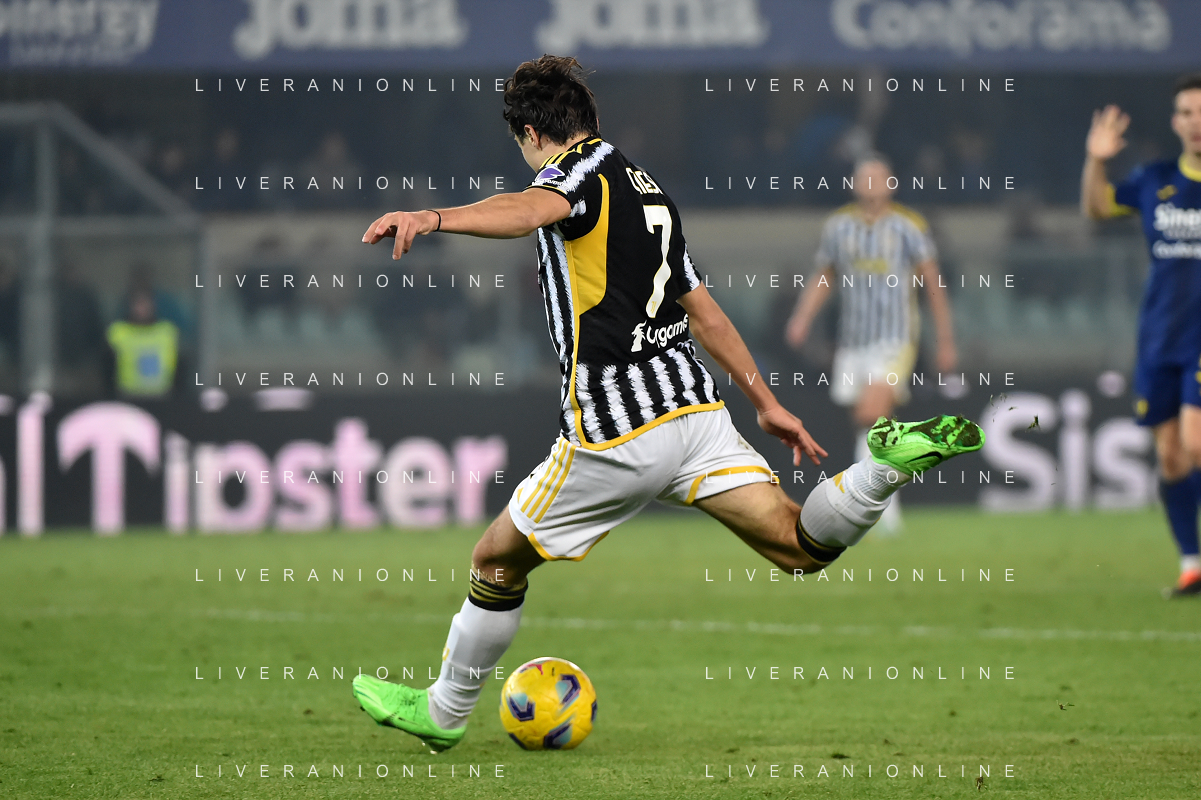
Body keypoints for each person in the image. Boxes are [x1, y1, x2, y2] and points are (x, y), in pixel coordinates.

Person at [350, 55, 983, 752]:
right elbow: (703, 312)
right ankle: (881, 470)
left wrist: (432, 217)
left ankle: (444, 712)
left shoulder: (573, 174)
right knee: (799, 546)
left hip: (616, 429)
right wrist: (765, 402)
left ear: (530, 133)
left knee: (495, 561)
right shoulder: (646, 190)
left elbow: (528, 209)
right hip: (695, 414)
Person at [784, 156, 957, 532]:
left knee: (871, 415)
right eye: (864, 177)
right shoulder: (838, 227)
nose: (870, 183)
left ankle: (874, 511)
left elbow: (932, 282)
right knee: (868, 427)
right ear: (853, 184)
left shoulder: (909, 227)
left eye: (878, 177)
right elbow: (825, 276)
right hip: (852, 340)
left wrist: (945, 340)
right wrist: (802, 318)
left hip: (895, 339)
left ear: (892, 184)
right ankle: (881, 505)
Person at [1081, 74, 1201, 597]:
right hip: (1160, 337)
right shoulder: (1155, 179)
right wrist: (1096, 161)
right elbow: (1097, 207)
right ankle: (1192, 563)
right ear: (1175, 122)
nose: (1196, 122)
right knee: (1171, 455)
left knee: (1197, 441)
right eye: (1187, 112)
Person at [105, 285, 181, 398]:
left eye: (145, 304)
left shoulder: (167, 331)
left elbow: (179, 365)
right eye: (138, 304)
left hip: (162, 396)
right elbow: (107, 366)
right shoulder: (118, 332)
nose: (141, 309)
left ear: (153, 305)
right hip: (128, 395)